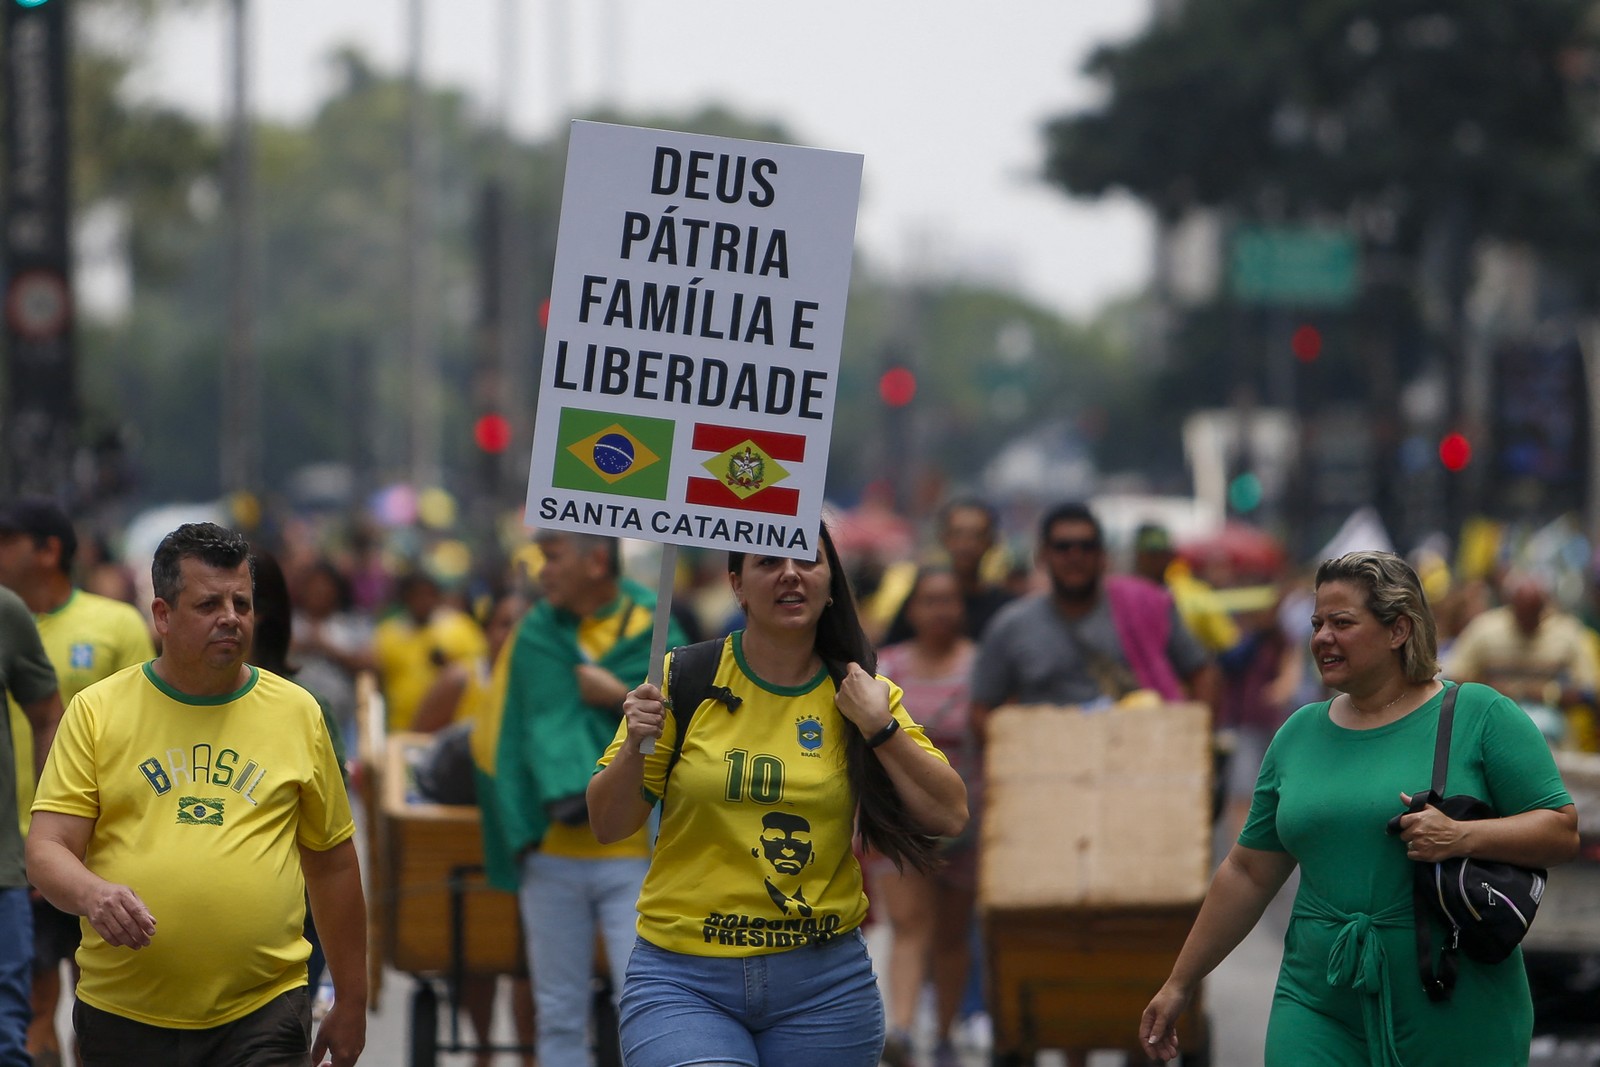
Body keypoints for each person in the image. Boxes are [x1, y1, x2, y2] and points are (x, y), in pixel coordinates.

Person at [1140, 550, 1579, 1066]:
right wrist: (1180, 982)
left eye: (1342, 623)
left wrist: (1461, 837)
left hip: (1452, 995)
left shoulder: (1480, 715)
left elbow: (1561, 831)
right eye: (1317, 623)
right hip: (1318, 999)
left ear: (1398, 630)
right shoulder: (1298, 734)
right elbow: (1248, 871)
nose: (1322, 637)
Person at [586, 524, 968, 1067]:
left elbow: (950, 813)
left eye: (807, 561)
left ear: (830, 582)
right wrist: (633, 749)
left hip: (824, 991)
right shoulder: (681, 677)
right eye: (768, 561)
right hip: (684, 979)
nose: (790, 573)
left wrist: (880, 729)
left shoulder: (859, 691)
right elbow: (607, 822)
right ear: (737, 585)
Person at [26, 522, 367, 1067]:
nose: (230, 617)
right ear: (163, 615)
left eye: (241, 602)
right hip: (124, 1015)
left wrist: (352, 1000)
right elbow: (47, 847)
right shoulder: (97, 710)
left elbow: (333, 866)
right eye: (208, 604)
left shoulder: (298, 712)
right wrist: (93, 894)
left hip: (263, 1014)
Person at [488, 532, 685, 1067]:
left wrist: (610, 691)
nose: (542, 571)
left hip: (636, 859)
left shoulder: (656, 622)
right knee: (558, 1012)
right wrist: (517, 832)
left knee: (644, 1006)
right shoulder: (536, 633)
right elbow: (515, 733)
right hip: (552, 854)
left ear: (597, 561)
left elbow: (684, 714)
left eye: (553, 558)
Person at [0, 498, 155, 1067]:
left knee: (99, 1012)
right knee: (34, 1007)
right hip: (24, 847)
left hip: (104, 849)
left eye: (6, 540)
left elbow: (146, 731)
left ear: (49, 551)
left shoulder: (115, 624)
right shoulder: (7, 620)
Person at [971, 501, 1219, 731]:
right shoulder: (1012, 626)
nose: (1075, 556)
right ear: (1043, 555)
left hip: (1140, 765)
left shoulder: (1145, 606)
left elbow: (1203, 673)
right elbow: (982, 709)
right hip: (1046, 770)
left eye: (1086, 546)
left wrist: (1193, 740)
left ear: (1102, 556)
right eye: (1063, 547)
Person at [870, 566, 981, 1067]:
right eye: (930, 600)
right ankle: (904, 1030)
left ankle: (943, 1035)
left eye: (950, 600)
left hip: (967, 822)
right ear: (911, 609)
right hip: (899, 823)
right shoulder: (887, 666)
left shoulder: (982, 667)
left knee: (953, 934)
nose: (941, 610)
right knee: (911, 924)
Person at [0, 584, 62, 1067]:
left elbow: (46, 715)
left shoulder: (5, 610)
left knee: (10, 1034)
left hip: (3, 874)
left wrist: (45, 834)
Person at [1442, 569, 1600, 744]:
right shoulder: (1485, 630)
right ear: (1511, 607)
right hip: (1492, 714)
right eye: (1522, 614)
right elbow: (1451, 679)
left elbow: (1588, 691)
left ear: (1543, 609)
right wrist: (1493, 688)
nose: (1527, 621)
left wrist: (1548, 693)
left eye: (1532, 614)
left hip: (1549, 722)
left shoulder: (1566, 633)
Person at [882, 499, 1015, 646]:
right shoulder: (923, 595)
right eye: (958, 534)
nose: (966, 544)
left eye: (977, 535)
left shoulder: (1005, 608)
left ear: (991, 541)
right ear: (943, 538)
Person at [371, 569, 487, 733]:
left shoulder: (460, 627)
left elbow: (480, 674)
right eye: (416, 595)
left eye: (429, 595)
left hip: (453, 727)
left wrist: (449, 665)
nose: (423, 601)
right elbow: (376, 681)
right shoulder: (388, 634)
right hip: (401, 729)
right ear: (405, 598)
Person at [1131, 521, 1240, 656]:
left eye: (1159, 555)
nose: (1155, 561)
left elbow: (1226, 641)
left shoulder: (1194, 593)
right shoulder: (1122, 596)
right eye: (1151, 555)